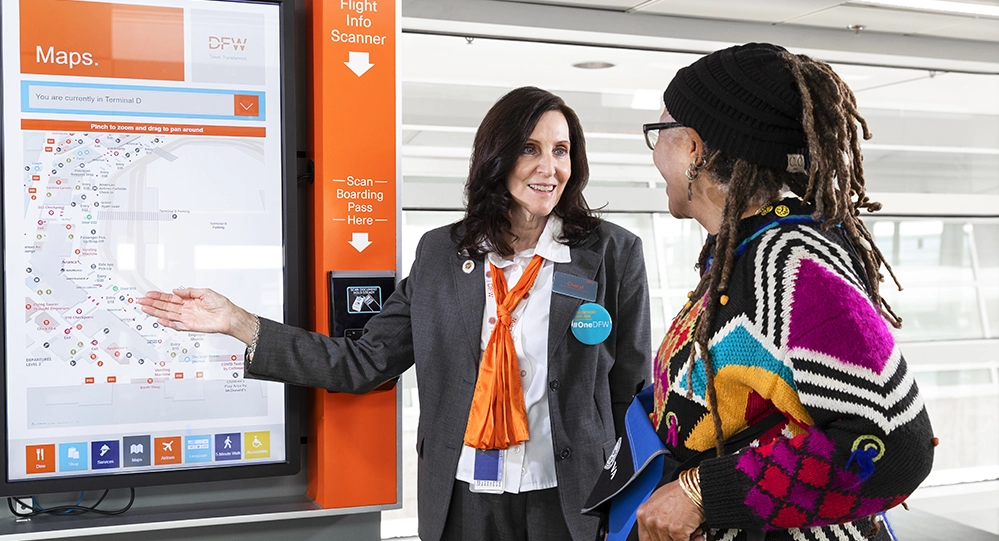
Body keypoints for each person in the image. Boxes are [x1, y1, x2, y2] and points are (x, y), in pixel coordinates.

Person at [139, 86, 652, 541]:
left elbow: (629, 393)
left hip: (571, 497)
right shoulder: (442, 255)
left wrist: (634, 495)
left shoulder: (611, 253)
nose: (549, 167)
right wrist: (238, 322)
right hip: (465, 497)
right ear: (497, 158)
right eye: (530, 148)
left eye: (561, 151)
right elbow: (365, 361)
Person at [630, 43, 935, 541]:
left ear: (693, 148)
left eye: (658, 133)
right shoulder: (742, 251)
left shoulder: (791, 264)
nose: (653, 152)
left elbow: (892, 443)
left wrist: (702, 492)